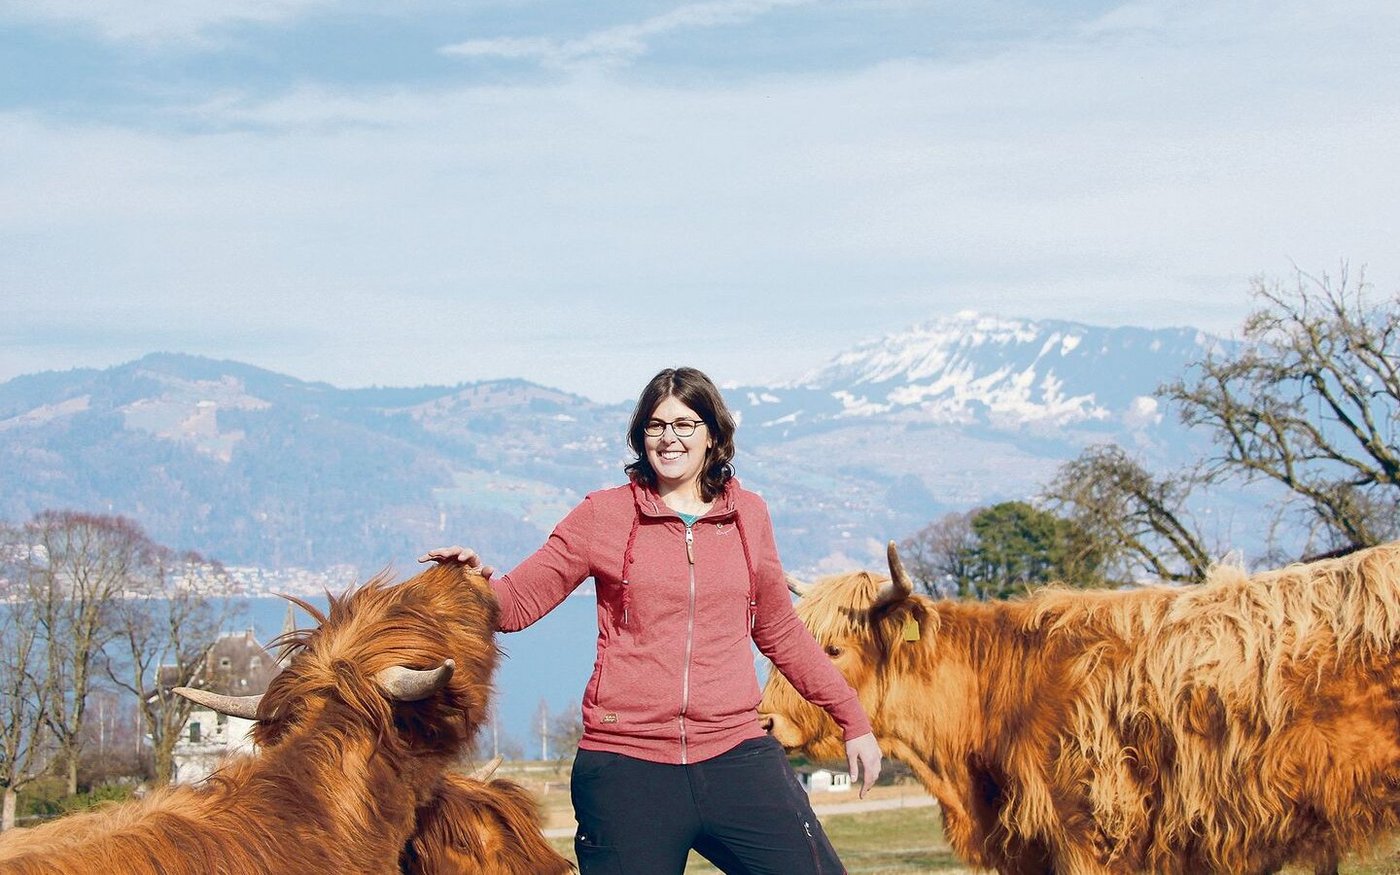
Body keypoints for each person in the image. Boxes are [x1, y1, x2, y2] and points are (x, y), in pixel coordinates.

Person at [422, 366, 880, 875]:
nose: (669, 438)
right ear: (641, 436)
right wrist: (467, 582)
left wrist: (852, 719)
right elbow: (515, 605)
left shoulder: (749, 515)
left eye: (685, 425)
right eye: (656, 426)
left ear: (713, 435)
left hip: (735, 755)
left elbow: (779, 630)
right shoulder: (603, 515)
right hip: (626, 768)